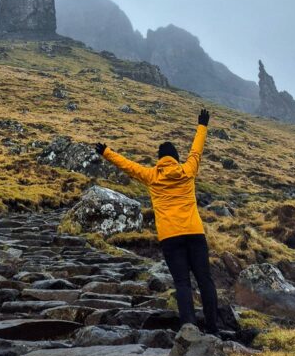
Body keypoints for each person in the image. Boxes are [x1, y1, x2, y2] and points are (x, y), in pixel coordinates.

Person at [94, 108, 219, 333]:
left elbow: (128, 166)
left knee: (182, 283)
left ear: (160, 159)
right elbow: (196, 150)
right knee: (205, 280)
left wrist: (107, 152)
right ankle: (213, 328)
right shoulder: (188, 170)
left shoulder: (152, 176)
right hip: (194, 233)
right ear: (176, 158)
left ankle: (188, 328)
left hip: (170, 237)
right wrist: (202, 125)